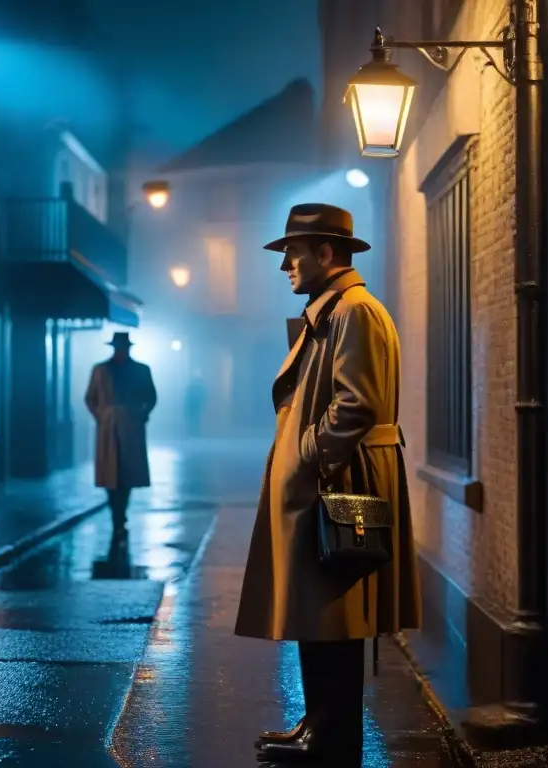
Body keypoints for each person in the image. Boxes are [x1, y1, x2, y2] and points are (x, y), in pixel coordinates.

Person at [234, 203, 421, 765]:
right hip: (331, 476)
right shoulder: (335, 309)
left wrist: (310, 455)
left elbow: (356, 404)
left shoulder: (352, 311)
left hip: (338, 479)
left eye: (293, 252)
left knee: (336, 617)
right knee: (323, 617)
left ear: (325, 253)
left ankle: (333, 737)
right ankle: (320, 726)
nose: (285, 264)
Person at [84, 332, 158, 538]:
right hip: (108, 427)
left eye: (123, 347)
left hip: (131, 426)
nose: (120, 351)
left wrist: (140, 414)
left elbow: (151, 396)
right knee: (109, 472)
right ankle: (116, 514)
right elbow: (90, 397)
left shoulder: (141, 370)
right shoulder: (100, 370)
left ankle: (121, 513)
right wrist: (101, 416)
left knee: (127, 471)